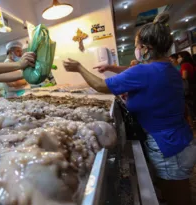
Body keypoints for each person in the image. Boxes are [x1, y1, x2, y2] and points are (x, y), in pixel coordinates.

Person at [63, 13, 196, 205]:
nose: (136, 49)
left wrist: (79, 68)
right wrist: (113, 67)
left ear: (145, 48)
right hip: (179, 139)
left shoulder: (144, 71)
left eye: (136, 45)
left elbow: (102, 86)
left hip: (168, 146)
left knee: (178, 194)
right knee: (172, 187)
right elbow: (139, 71)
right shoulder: (165, 66)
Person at [178, 51, 196, 123]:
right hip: (193, 86)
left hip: (188, 87)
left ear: (183, 57)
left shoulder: (184, 65)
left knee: (189, 105)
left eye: (179, 57)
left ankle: (193, 121)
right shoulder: (190, 64)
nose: (178, 59)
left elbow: (184, 76)